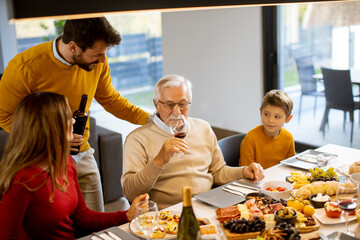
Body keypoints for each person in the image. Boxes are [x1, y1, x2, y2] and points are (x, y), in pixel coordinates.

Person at [0, 17, 150, 212]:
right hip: (44, 161)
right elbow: (4, 117)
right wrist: (54, 140)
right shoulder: (24, 67)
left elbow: (110, 99)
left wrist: (149, 120)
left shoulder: (97, 62)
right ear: (73, 47)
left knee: (96, 226)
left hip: (82, 155)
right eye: (97, 54)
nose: (103, 60)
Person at [0, 92, 149, 239]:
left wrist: (127, 215)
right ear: (49, 127)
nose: (73, 121)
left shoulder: (64, 159)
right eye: (66, 117)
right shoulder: (21, 180)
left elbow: (82, 217)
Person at [121, 74, 264, 209]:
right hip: (167, 214)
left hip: (208, 205)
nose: (177, 112)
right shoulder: (137, 139)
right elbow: (130, 193)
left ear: (189, 104)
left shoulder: (203, 128)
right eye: (169, 105)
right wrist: (159, 161)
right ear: (157, 104)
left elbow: (218, 172)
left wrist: (244, 171)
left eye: (182, 104)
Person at [239, 89, 295, 169]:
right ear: (260, 112)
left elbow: (290, 167)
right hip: (255, 180)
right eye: (266, 114)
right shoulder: (250, 138)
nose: (270, 120)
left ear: (288, 119)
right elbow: (246, 170)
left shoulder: (288, 138)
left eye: (277, 117)